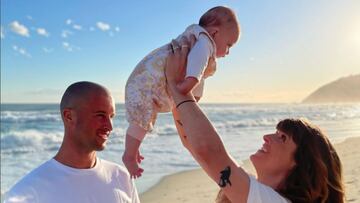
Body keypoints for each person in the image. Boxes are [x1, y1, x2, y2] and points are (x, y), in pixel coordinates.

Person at [165, 42, 345, 203]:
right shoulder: (253, 192)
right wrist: (178, 90)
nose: (266, 137)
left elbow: (208, 151)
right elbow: (193, 142)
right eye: (275, 133)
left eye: (282, 138)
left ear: (301, 162)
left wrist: (175, 84)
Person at [123, 6, 241, 178]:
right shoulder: (205, 42)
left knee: (141, 120)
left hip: (144, 81)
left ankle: (132, 150)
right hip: (147, 83)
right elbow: (197, 61)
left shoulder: (194, 36)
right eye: (229, 45)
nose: (228, 52)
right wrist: (189, 82)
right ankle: (128, 155)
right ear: (215, 33)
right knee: (141, 119)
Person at [4, 81, 140, 203]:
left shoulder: (121, 177)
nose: (110, 126)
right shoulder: (26, 193)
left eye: (111, 117)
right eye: (100, 115)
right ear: (69, 116)